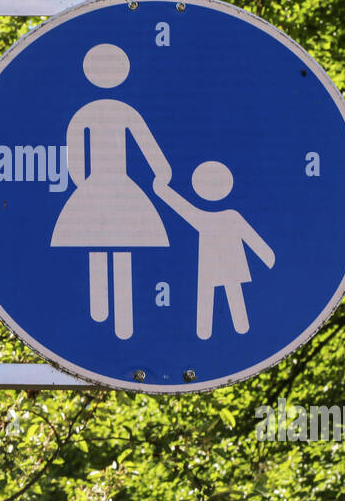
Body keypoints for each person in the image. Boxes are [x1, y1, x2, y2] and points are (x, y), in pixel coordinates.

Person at [51, 43, 171, 340]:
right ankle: (105, 316)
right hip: (110, 184)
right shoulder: (109, 112)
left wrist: (84, 185)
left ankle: (112, 317)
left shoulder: (97, 112)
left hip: (104, 184)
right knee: (113, 245)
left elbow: (76, 156)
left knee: (111, 245)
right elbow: (77, 152)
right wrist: (161, 171)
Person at [153, 161, 275, 339]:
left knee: (222, 295)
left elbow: (183, 208)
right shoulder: (221, 217)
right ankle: (211, 332)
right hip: (216, 264)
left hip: (224, 264)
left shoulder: (214, 217)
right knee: (216, 295)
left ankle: (220, 331)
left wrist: (267, 255)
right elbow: (181, 207)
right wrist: (267, 256)